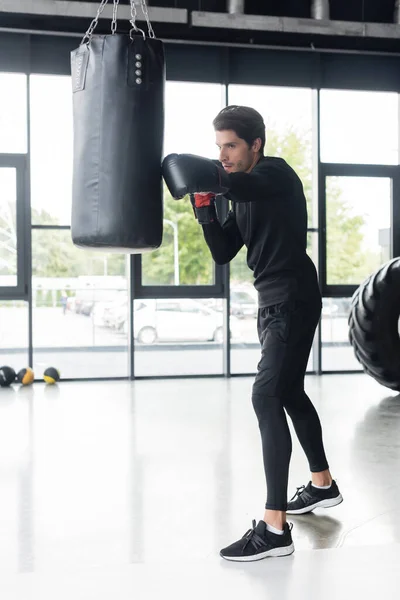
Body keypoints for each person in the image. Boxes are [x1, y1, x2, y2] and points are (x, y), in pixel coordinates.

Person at [162, 105, 343, 563]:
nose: (223, 155)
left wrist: (204, 179)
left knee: (266, 397)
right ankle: (322, 485)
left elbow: (241, 183)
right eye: (218, 147)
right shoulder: (230, 191)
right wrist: (203, 207)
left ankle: (274, 527)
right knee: (288, 392)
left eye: (231, 146)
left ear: (255, 145)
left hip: (293, 297)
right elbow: (224, 251)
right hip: (273, 302)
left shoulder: (275, 174)